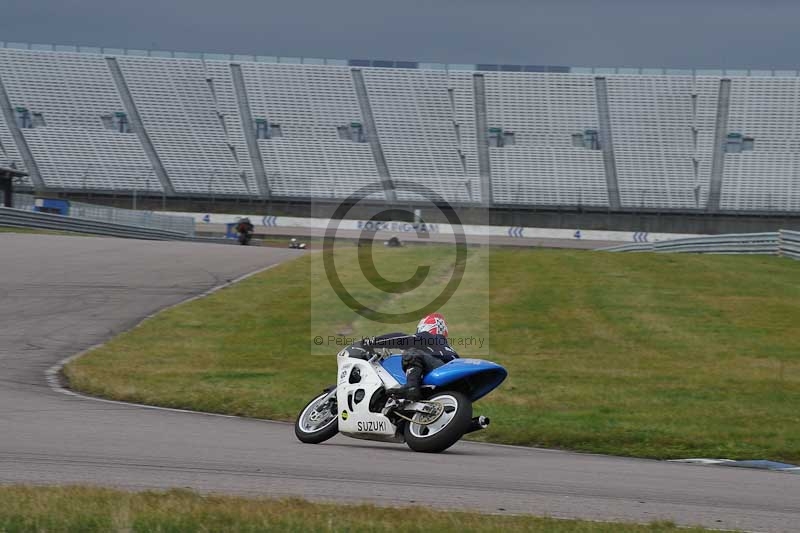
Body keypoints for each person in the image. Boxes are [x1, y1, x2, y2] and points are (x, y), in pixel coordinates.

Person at [364, 313, 458, 401]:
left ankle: (411, 387)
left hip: (440, 370)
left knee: (412, 353)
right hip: (454, 385)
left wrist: (373, 342)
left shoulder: (428, 337)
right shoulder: (448, 348)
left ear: (425, 327)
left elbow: (402, 339)